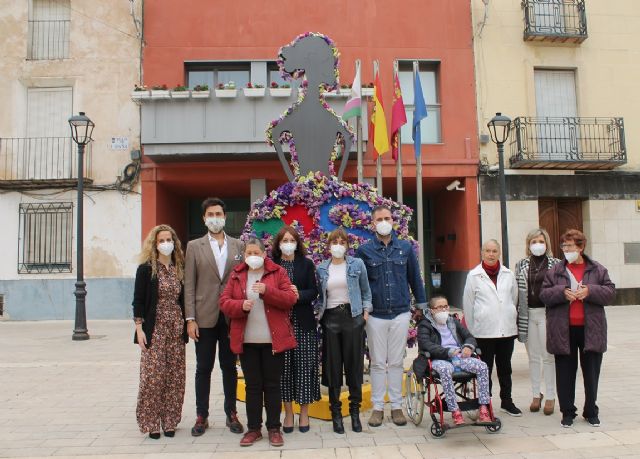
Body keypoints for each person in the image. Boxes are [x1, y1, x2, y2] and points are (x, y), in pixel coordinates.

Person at [220, 237, 297, 447]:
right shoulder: (237, 274)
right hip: (247, 341)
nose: (253, 257)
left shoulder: (277, 272)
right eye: (249, 253)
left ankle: (274, 428)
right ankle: (254, 429)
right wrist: (239, 305)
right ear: (244, 256)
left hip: (273, 341)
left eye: (256, 253)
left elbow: (290, 298)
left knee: (272, 386)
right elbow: (224, 302)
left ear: (264, 254)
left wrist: (267, 291)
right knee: (253, 387)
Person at [355, 205, 427, 427]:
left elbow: (415, 278)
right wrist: (360, 312)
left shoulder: (405, 248)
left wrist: (421, 307)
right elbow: (359, 284)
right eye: (379, 219)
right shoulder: (364, 251)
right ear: (373, 223)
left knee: (396, 362)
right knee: (377, 363)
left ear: (392, 221)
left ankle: (396, 406)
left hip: (400, 313)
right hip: (375, 315)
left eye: (387, 218)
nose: (383, 221)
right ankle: (377, 407)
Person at [540, 229, 615, 428]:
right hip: (562, 329)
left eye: (570, 246)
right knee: (565, 372)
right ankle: (567, 412)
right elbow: (544, 295)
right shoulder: (555, 270)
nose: (566, 250)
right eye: (564, 246)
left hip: (591, 329)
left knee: (591, 372)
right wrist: (561, 292)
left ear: (581, 247)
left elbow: (610, 293)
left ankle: (591, 411)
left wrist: (590, 291)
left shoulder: (597, 269)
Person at [184, 197, 244, 436]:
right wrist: (190, 318)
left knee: (229, 367)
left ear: (225, 217)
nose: (215, 218)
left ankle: (231, 413)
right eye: (211, 214)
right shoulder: (194, 246)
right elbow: (189, 284)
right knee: (203, 367)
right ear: (204, 218)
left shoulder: (238, 245)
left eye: (219, 214)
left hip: (230, 317)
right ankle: (202, 415)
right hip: (204, 315)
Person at [132, 224, 188, 438]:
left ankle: (170, 420)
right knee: (153, 376)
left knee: (174, 375)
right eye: (161, 240)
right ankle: (151, 422)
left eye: (169, 239)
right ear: (154, 244)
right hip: (154, 327)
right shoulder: (146, 269)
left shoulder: (179, 267)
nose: (166, 243)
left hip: (176, 326)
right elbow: (137, 301)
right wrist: (139, 328)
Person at [316, 227, 372, 434]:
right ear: (329, 246)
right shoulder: (322, 268)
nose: (338, 245)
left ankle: (355, 414)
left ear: (347, 245)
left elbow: (366, 291)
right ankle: (336, 415)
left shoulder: (357, 264)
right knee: (332, 369)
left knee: (354, 367)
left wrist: (364, 314)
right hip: (330, 319)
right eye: (334, 241)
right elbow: (320, 296)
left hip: (353, 317)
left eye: (342, 241)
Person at [462, 239, 521, 416]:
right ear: (482, 253)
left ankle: (507, 401)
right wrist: (473, 331)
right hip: (483, 332)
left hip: (506, 331)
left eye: (494, 251)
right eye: (487, 250)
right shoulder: (473, 275)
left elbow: (514, 299)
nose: (491, 254)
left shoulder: (508, 274)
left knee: (505, 368)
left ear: (499, 253)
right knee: (484, 369)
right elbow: (468, 304)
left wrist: (508, 314)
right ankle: (485, 402)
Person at [271, 226, 320, 433]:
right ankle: (289, 413)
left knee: (304, 369)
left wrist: (297, 294)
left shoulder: (306, 264)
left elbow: (314, 292)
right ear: (278, 243)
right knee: (284, 371)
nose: (288, 243)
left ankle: (304, 413)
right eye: (284, 240)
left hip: (303, 325)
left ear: (297, 243)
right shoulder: (272, 265)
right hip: (280, 324)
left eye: (292, 240)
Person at [417, 296, 493, 425]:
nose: (443, 310)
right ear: (431, 310)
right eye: (439, 307)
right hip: (439, 358)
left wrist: (468, 347)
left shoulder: (453, 321)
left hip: (459, 356)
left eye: (445, 306)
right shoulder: (425, 325)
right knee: (445, 370)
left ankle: (484, 407)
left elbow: (469, 337)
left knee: (482, 366)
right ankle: (455, 411)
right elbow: (426, 345)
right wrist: (447, 352)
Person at [515, 228, 561, 415]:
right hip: (528, 315)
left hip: (547, 315)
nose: (537, 245)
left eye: (541, 241)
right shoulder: (521, 265)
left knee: (548, 357)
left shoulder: (557, 264)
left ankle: (550, 396)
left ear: (547, 243)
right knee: (533, 357)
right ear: (528, 244)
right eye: (533, 241)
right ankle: (536, 394)